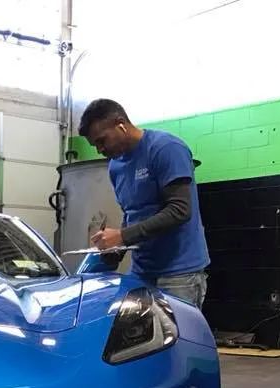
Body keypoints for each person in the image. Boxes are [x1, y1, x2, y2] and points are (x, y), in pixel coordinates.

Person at [79, 98, 210, 307]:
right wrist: (116, 249)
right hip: (141, 272)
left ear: (120, 124)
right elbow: (131, 213)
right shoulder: (115, 166)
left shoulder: (166, 149)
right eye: (95, 145)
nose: (100, 150)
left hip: (178, 274)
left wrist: (122, 236)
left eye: (102, 141)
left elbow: (180, 210)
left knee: (179, 339)